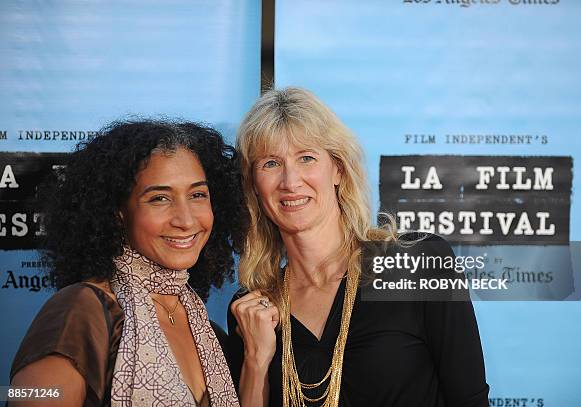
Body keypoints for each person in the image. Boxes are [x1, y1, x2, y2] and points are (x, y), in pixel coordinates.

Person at [228, 87, 490, 407]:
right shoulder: (253, 308)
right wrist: (256, 361)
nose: (290, 181)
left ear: (337, 169)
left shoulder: (418, 263)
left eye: (306, 157)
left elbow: (470, 399)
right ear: (254, 184)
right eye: (270, 163)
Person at [10, 120, 244, 407]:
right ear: (118, 212)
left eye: (197, 195)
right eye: (159, 198)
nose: (185, 220)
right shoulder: (81, 313)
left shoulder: (211, 336)